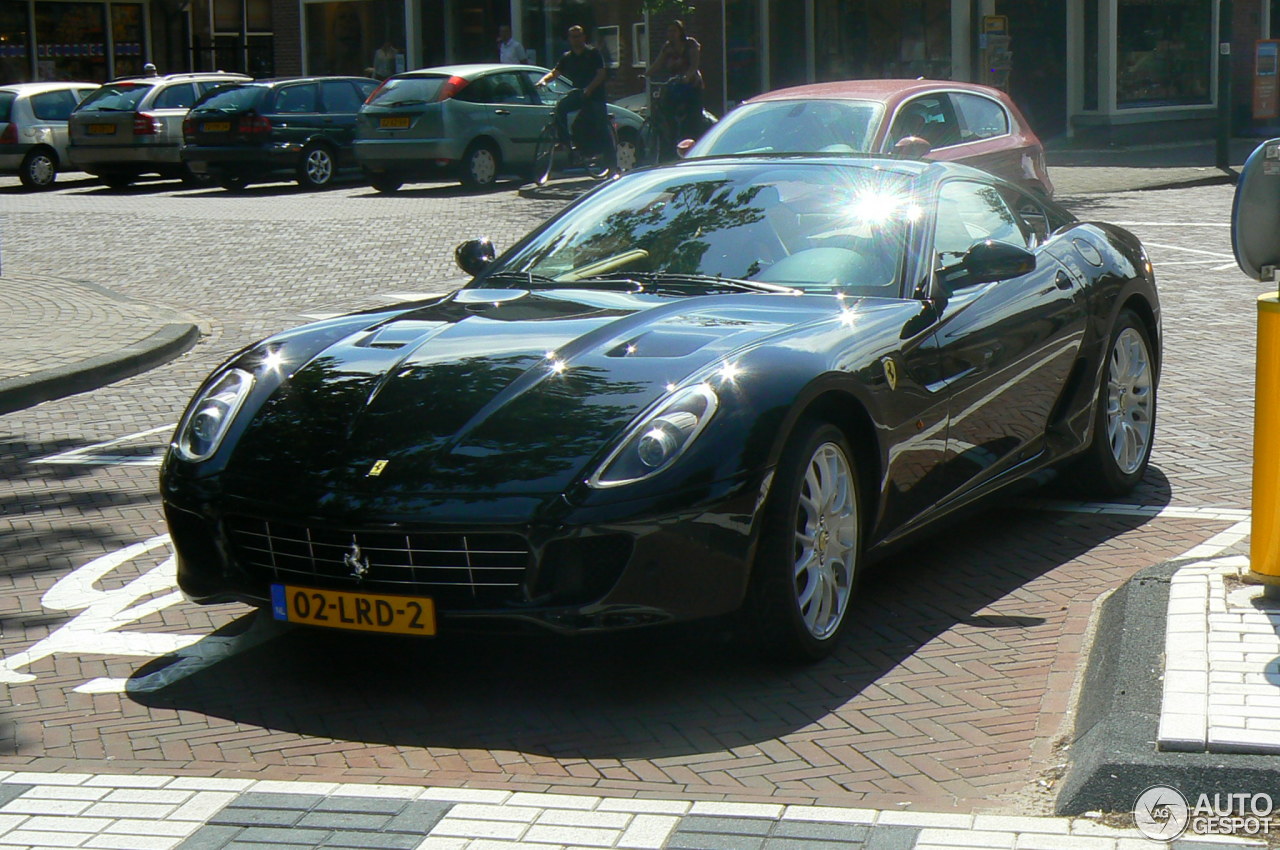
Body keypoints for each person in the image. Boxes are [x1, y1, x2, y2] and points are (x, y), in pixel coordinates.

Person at [536, 25, 610, 156]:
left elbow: (601, 74)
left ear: (583, 37)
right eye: (572, 37)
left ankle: (610, 160)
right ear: (569, 39)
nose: (575, 40)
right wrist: (543, 81)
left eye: (578, 36)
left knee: (598, 127)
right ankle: (564, 143)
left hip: (595, 96)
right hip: (579, 94)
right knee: (561, 108)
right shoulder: (567, 57)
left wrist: (589, 88)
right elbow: (555, 73)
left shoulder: (593, 53)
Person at [647, 20, 704, 141]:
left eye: (674, 31)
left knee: (693, 114)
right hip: (676, 83)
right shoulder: (668, 47)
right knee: (665, 104)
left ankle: (696, 135)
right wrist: (646, 74)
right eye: (669, 31)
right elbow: (658, 63)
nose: (671, 34)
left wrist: (687, 76)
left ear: (680, 32)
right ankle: (670, 134)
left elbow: (694, 65)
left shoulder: (690, 44)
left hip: (692, 83)